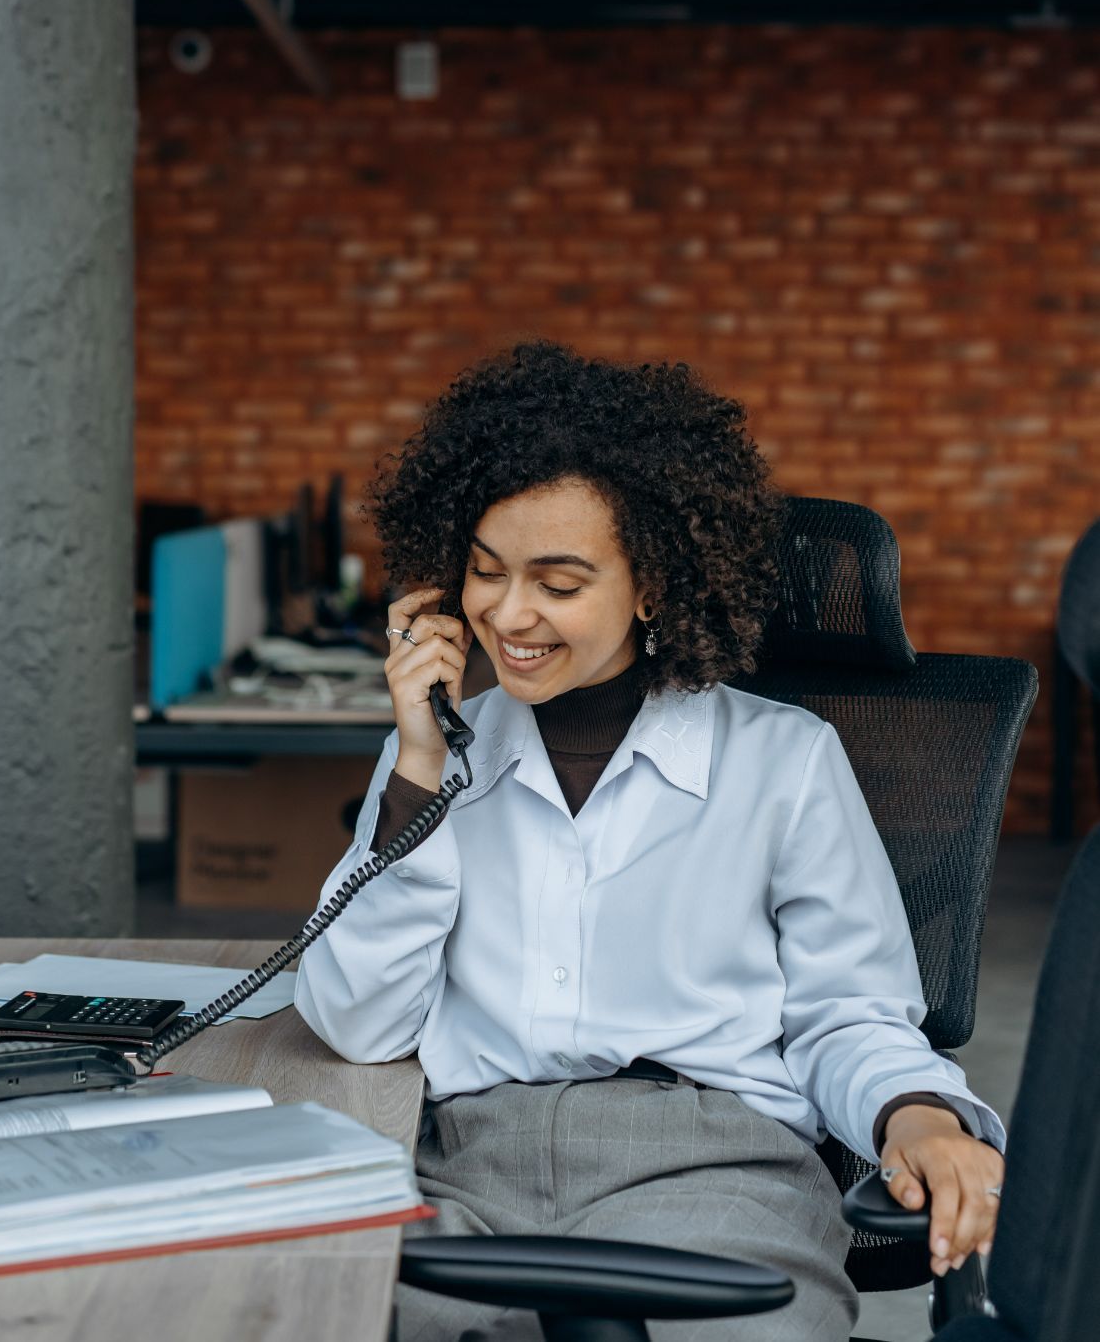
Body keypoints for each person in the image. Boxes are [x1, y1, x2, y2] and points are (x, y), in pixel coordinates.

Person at [295, 341, 1005, 1341]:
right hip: (467, 1167)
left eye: (559, 580)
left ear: (653, 586)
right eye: (486, 572)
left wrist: (918, 1112)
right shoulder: (436, 753)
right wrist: (419, 772)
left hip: (714, 1174)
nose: (509, 612)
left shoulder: (782, 762)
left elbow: (849, 1009)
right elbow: (356, 1021)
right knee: (309, 1312)